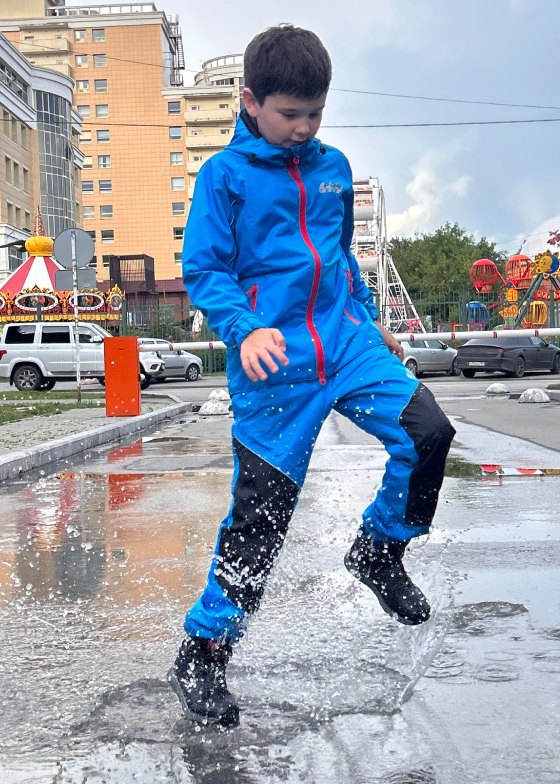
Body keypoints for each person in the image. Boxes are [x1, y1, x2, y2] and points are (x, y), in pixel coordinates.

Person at [168, 24, 456, 728]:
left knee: (428, 432)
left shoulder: (334, 168)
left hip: (347, 344)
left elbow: (340, 256)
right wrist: (245, 328)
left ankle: (379, 551)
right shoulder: (224, 178)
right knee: (260, 520)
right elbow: (205, 270)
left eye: (314, 114)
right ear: (250, 101)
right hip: (274, 366)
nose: (302, 128)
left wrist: (364, 313)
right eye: (288, 114)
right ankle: (203, 654)